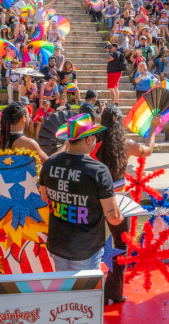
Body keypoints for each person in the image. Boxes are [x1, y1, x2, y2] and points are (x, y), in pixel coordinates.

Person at [93, 105, 160, 304]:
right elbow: (147, 151)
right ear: (120, 123)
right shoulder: (126, 144)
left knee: (93, 247)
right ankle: (113, 293)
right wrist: (153, 128)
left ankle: (89, 291)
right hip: (117, 203)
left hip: (93, 202)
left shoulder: (92, 142)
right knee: (121, 247)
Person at [39, 114, 123, 271]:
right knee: (86, 294)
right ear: (88, 140)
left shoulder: (49, 163)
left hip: (58, 244)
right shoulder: (99, 171)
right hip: (86, 248)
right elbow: (113, 217)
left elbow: (44, 197)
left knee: (64, 291)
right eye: (94, 136)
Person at [0, 90, 48, 161]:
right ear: (23, 118)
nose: (29, 118)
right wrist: (61, 149)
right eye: (28, 116)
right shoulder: (30, 144)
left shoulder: (0, 136)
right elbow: (48, 164)